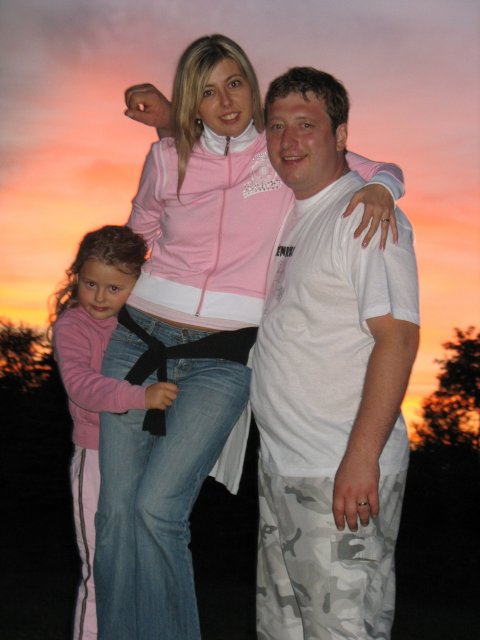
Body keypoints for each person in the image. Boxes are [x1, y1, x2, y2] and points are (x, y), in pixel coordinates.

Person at [94, 35, 406, 640]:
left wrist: (383, 189)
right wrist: (101, 304)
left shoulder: (276, 152)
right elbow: (141, 229)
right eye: (208, 92)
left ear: (252, 85)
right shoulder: (165, 156)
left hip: (221, 356)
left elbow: (375, 168)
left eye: (234, 83)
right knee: (114, 517)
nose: (226, 101)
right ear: (193, 101)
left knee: (157, 510)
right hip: (139, 338)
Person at [250, 67, 420, 640]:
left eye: (306, 124)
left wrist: (361, 457)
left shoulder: (365, 215)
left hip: (339, 473)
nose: (288, 140)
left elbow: (398, 338)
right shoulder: (291, 213)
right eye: (277, 126)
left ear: (341, 135)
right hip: (283, 468)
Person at [51, 225, 178, 640]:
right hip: (95, 457)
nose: (100, 297)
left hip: (143, 455)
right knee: (102, 568)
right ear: (76, 276)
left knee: (140, 568)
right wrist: (141, 397)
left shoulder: (145, 325)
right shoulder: (74, 326)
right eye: (90, 284)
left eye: (114, 288)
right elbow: (81, 386)